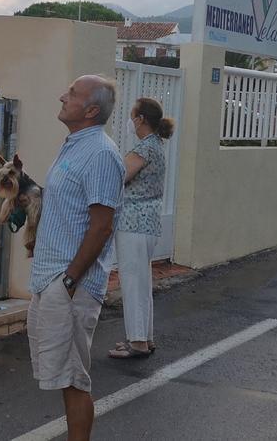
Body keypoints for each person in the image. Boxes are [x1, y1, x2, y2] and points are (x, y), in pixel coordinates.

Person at [27, 74, 125, 441]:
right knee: (62, 376)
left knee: (73, 380)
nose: (62, 96)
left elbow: (102, 225)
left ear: (91, 109)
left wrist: (69, 281)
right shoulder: (74, 145)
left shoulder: (101, 153)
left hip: (69, 284)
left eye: (72, 93)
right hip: (50, 278)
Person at [107, 97, 174, 360]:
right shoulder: (155, 145)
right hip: (147, 222)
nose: (129, 121)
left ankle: (137, 342)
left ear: (140, 119)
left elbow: (118, 176)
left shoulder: (144, 149)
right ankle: (144, 337)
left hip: (133, 222)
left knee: (133, 281)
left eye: (132, 115)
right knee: (142, 282)